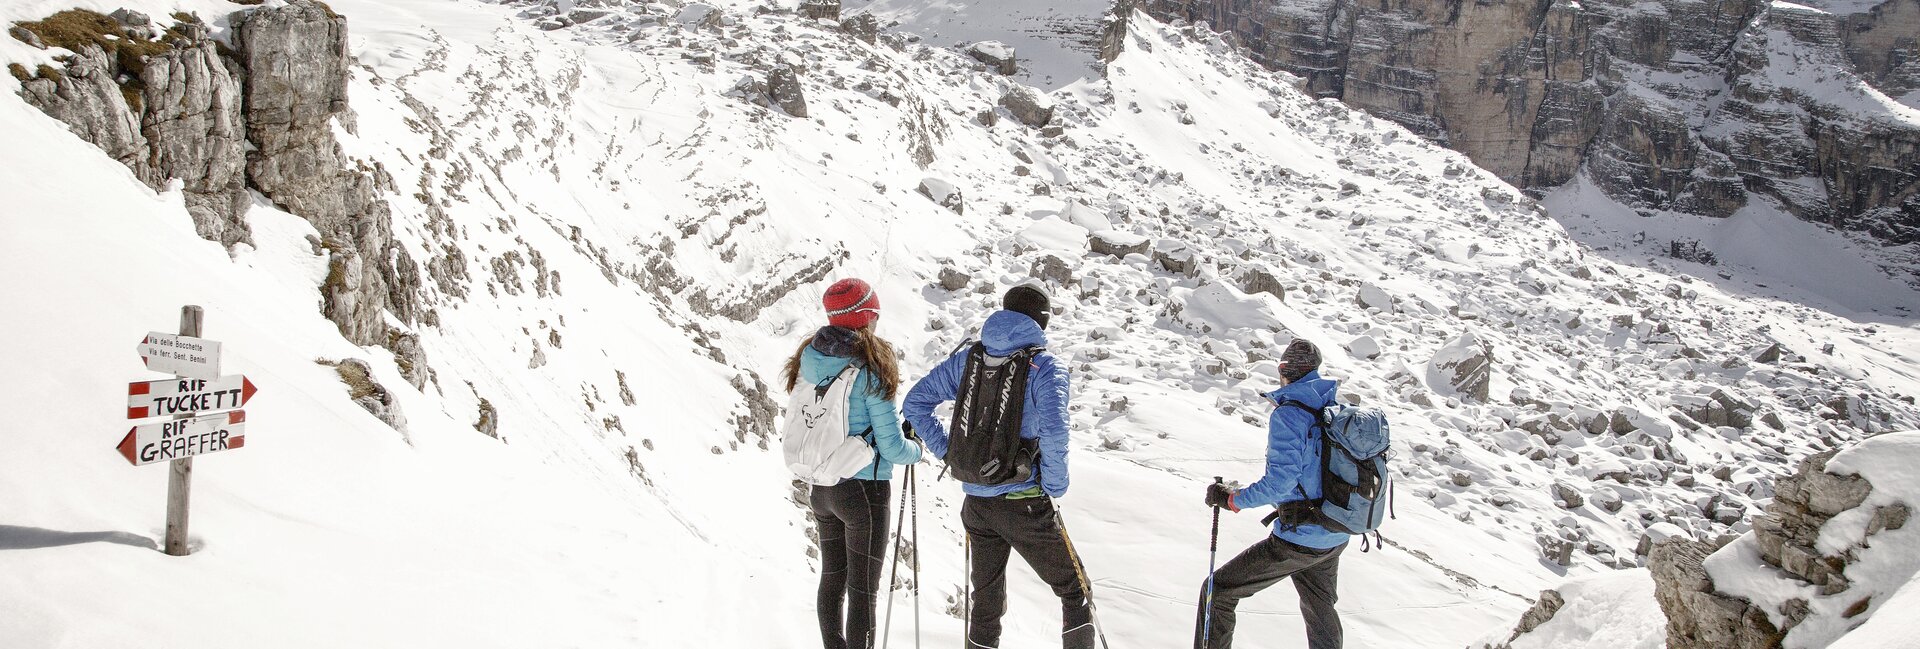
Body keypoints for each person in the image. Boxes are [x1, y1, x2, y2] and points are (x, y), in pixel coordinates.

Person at [904, 283, 1095, 649]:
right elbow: (1055, 431)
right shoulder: (1045, 366)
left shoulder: (970, 359)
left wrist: (949, 453)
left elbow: (915, 403)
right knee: (1075, 591)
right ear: (1041, 320)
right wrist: (1054, 486)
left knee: (986, 601)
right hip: (1023, 501)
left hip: (977, 504)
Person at [786, 278, 925, 649]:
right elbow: (892, 448)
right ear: (867, 316)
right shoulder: (871, 366)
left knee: (832, 579)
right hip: (864, 492)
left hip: (822, 487)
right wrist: (917, 449)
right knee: (863, 591)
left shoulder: (810, 357)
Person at [1195, 339, 1346, 649]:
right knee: (1320, 609)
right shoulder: (1331, 407)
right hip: (1334, 531)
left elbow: (1280, 483)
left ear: (1285, 371)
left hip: (1300, 538)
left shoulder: (1290, 414)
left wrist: (1232, 499)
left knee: (1217, 592)